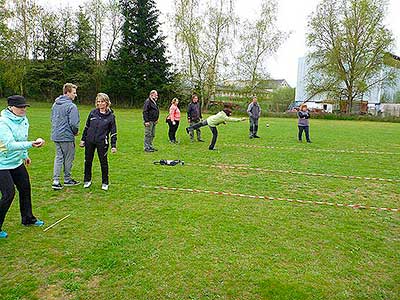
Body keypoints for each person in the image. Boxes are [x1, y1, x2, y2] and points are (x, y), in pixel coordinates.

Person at [0, 95, 46, 239]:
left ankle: (28, 218)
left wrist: (25, 155)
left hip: (16, 162)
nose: (23, 109)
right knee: (8, 194)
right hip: (1, 163)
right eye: (20, 107)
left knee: (25, 188)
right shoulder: (3, 123)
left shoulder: (24, 120)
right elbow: (9, 145)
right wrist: (31, 144)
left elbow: (22, 138)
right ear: (11, 107)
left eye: (25, 106)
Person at [79, 93, 117, 191]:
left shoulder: (111, 116)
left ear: (107, 102)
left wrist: (113, 145)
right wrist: (83, 139)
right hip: (89, 141)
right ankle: (87, 180)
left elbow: (113, 132)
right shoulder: (92, 113)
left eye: (102, 101)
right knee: (88, 161)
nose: (100, 103)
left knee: (103, 163)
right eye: (98, 101)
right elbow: (87, 127)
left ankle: (105, 182)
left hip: (102, 142)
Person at [51, 83, 80, 190]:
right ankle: (67, 179)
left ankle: (56, 180)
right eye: (74, 93)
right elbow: (74, 123)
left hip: (56, 135)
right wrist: (75, 132)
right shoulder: (71, 106)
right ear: (67, 93)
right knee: (68, 158)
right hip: (66, 136)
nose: (75, 95)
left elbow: (52, 119)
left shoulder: (55, 104)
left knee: (58, 157)